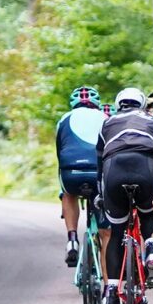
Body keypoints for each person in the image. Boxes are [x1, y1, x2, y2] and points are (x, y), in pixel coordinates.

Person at [95, 87, 153, 304]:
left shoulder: (107, 122)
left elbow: (99, 162)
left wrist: (101, 194)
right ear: (142, 104)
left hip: (114, 169)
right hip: (145, 167)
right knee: (148, 214)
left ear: (118, 104)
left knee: (116, 233)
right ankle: (151, 248)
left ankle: (112, 295)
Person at [56, 86, 110, 276]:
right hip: (98, 175)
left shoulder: (64, 119)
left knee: (68, 193)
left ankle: (72, 238)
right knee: (107, 235)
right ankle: (107, 289)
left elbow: (59, 152)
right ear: (96, 104)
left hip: (71, 173)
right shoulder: (105, 118)